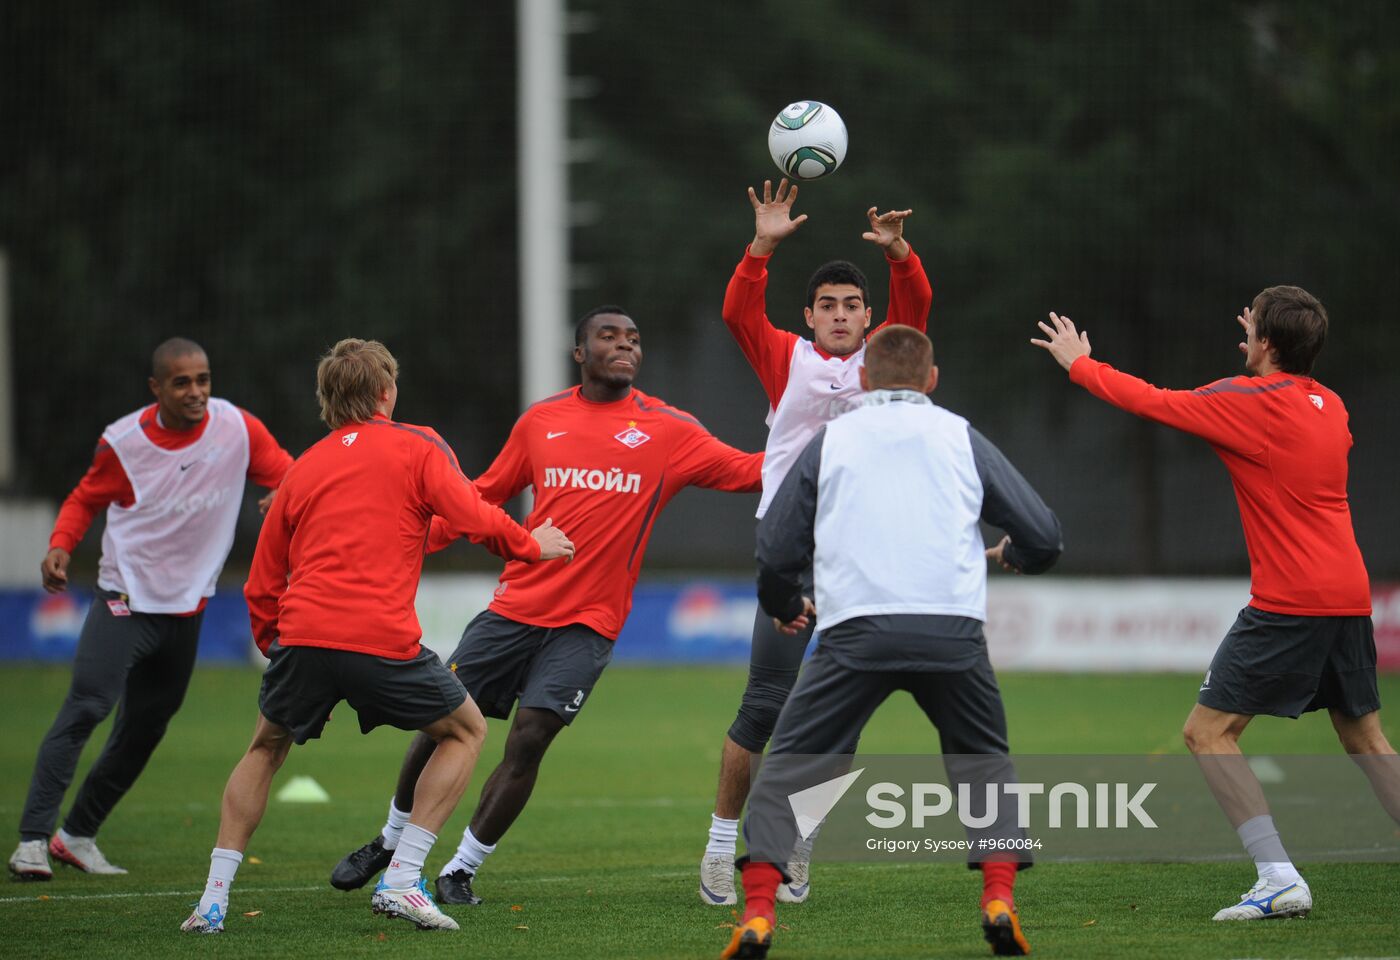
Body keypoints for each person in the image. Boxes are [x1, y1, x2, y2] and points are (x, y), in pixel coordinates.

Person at [329, 306, 764, 906]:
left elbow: (750, 471)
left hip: (589, 624)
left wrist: (820, 442)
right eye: (608, 336)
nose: (624, 346)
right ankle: (391, 839)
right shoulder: (541, 422)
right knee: (443, 722)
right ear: (579, 351)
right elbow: (480, 495)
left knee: (530, 738)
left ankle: (460, 868)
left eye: (634, 338)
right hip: (514, 608)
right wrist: (409, 541)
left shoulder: (670, 430)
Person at [179, 338, 573, 934]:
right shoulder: (416, 447)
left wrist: (278, 648)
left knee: (264, 747)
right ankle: (401, 879)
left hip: (302, 634)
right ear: (387, 392)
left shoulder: (304, 467)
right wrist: (530, 545)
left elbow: (263, 579)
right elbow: (470, 515)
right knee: (465, 730)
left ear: (328, 401)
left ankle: (212, 901)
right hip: (378, 637)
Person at [1030, 288, 1398, 921]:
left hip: (1291, 599)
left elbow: (1153, 401)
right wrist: (1268, 339)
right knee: (1366, 737)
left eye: (1252, 324)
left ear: (1269, 344)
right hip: (1348, 592)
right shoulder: (1330, 405)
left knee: (1208, 732)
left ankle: (1278, 877)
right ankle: (1279, 876)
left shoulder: (1247, 399)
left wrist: (1079, 364)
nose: (1244, 330)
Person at [720, 325, 1061, 959]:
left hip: (855, 633)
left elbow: (775, 549)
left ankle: (761, 913)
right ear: (932, 380)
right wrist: (1015, 552)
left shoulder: (832, 439)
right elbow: (1044, 537)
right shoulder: (960, 434)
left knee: (787, 769)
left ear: (865, 381)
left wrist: (786, 604)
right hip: (952, 632)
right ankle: (998, 898)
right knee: (984, 765)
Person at [701, 179, 933, 906]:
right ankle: (717, 848)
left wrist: (900, 255)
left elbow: (917, 310)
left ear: (869, 317)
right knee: (763, 706)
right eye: (827, 306)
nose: (839, 315)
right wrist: (760, 250)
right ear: (808, 317)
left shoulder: (887, 364)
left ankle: (799, 846)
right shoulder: (785, 359)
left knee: (842, 714)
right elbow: (739, 311)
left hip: (864, 562)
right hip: (792, 559)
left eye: (851, 306)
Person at [8, 338, 293, 882]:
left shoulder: (237, 427)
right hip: (126, 600)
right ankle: (31, 842)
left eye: (203, 379)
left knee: (145, 728)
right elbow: (85, 497)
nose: (196, 392)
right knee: (87, 707)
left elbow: (291, 471)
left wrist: (285, 489)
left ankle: (77, 836)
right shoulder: (124, 442)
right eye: (182, 382)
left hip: (188, 611)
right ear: (156, 388)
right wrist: (62, 544)